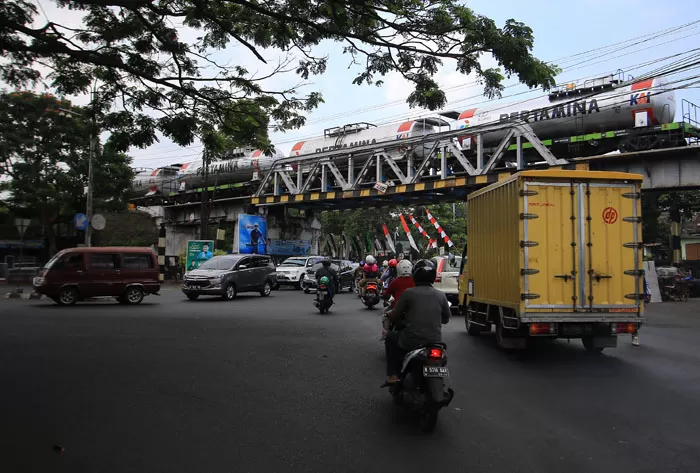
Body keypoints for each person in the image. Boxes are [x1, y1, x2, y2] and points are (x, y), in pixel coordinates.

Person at [383, 259, 451, 386]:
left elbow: (396, 314)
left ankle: (393, 375)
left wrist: (389, 315)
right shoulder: (441, 295)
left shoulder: (408, 293)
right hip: (435, 341)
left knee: (390, 338)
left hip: (412, 340)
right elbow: (446, 319)